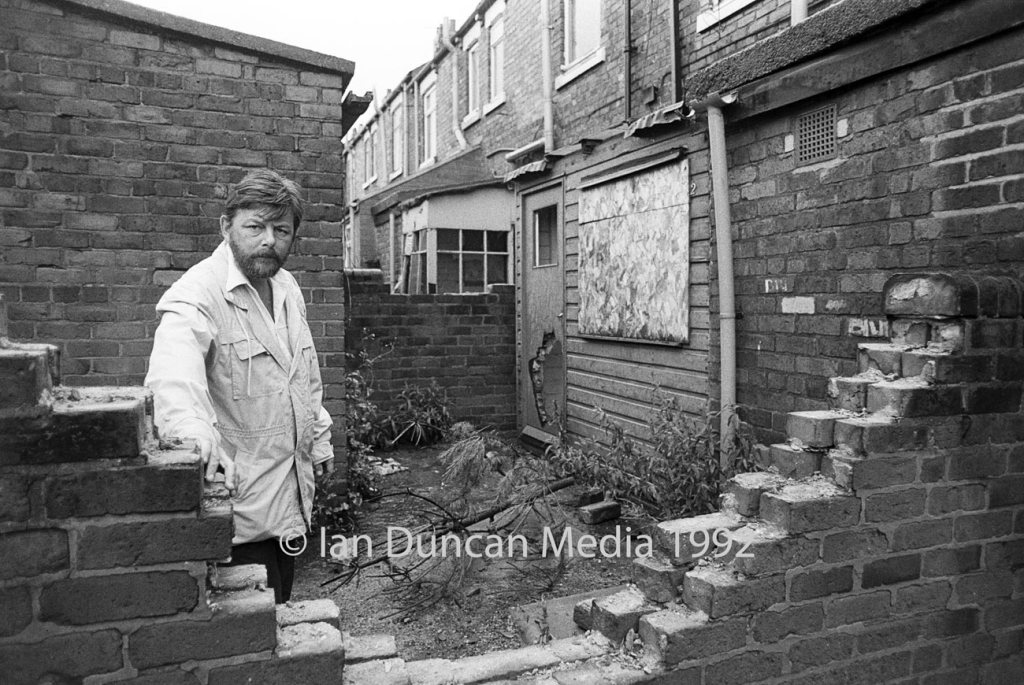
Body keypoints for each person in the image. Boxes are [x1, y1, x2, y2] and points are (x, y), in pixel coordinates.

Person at [145, 169, 335, 603]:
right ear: (225, 226)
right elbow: (173, 381)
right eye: (255, 227)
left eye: (281, 230)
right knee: (252, 628)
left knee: (282, 609)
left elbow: (303, 375)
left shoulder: (286, 288)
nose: (269, 240)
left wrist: (320, 437)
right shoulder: (197, 295)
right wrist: (194, 438)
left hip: (287, 500)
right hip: (238, 517)